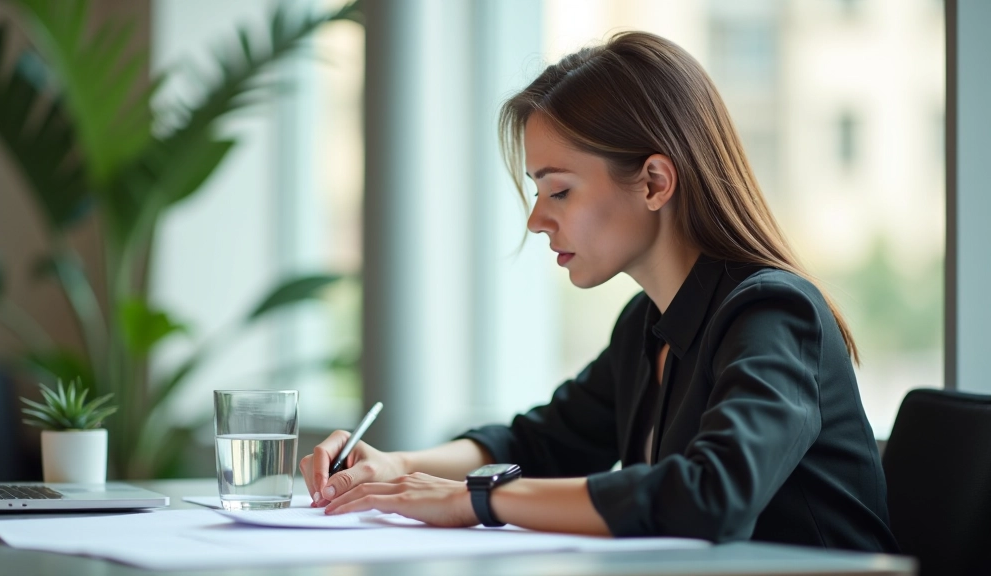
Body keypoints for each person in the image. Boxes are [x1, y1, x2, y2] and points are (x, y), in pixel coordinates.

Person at [299, 31, 899, 553]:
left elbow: (709, 496)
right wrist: (397, 466)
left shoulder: (773, 313)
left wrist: (474, 500)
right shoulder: (647, 323)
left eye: (559, 191)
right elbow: (539, 443)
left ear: (654, 181)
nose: (537, 220)